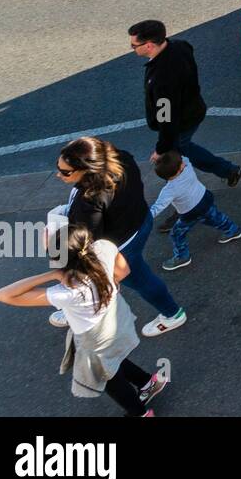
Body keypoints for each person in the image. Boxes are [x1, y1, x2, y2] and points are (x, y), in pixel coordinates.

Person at [0, 224, 168, 417]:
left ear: (61, 261)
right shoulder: (104, 247)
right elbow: (123, 272)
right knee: (113, 360)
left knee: (107, 378)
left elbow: (4, 295)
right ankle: (148, 383)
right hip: (116, 321)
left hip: (93, 339)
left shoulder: (70, 291)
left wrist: (51, 273)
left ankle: (141, 414)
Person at [54, 137, 188, 338]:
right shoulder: (121, 158)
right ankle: (87, 303)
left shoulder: (90, 199)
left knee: (139, 280)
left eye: (65, 172)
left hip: (120, 245)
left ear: (87, 168)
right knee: (112, 276)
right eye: (58, 167)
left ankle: (172, 313)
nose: (58, 174)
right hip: (140, 220)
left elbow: (85, 239)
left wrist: (55, 235)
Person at [129, 20, 241, 205]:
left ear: (148, 45)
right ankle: (227, 171)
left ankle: (188, 201)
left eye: (133, 45)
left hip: (181, 121)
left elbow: (166, 118)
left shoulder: (161, 78)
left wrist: (161, 148)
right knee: (185, 147)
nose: (132, 48)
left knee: (173, 159)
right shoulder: (179, 46)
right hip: (193, 110)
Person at [151, 151, 241, 271]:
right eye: (181, 162)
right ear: (180, 168)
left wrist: (145, 218)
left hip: (190, 213)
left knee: (177, 234)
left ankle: (182, 256)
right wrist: (161, 154)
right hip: (205, 198)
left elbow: (158, 207)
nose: (183, 162)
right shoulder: (187, 166)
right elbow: (183, 156)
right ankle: (233, 230)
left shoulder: (168, 190)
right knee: (215, 217)